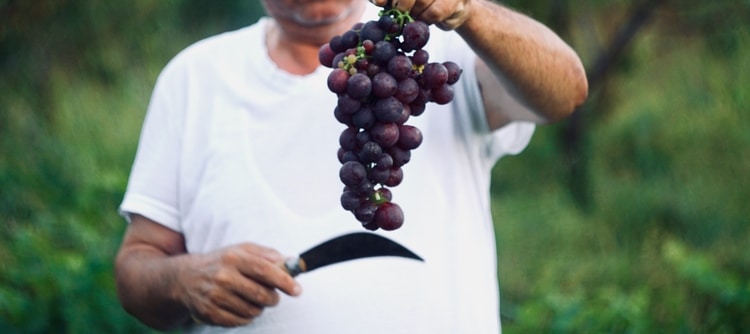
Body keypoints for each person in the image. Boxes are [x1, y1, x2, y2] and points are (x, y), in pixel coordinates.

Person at [114, 0, 587, 333]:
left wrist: (471, 12)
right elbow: (137, 270)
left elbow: (566, 92)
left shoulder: (444, 48)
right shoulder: (194, 78)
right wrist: (181, 282)